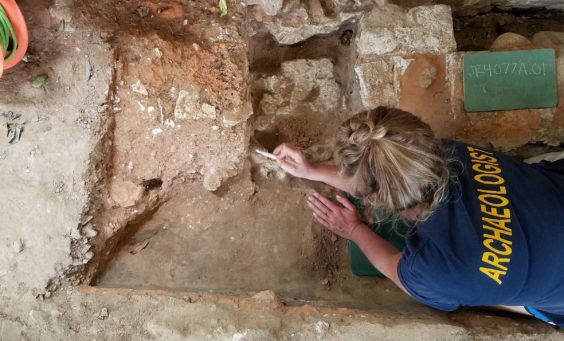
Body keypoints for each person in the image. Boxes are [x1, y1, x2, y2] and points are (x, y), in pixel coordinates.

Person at [273, 106, 564, 327]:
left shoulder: (436, 271)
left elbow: (392, 265)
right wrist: (310, 170)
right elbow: (387, 178)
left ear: (374, 198)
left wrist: (353, 229)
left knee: (492, 296)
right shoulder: (453, 151)